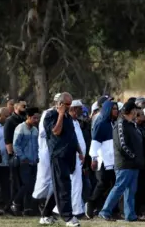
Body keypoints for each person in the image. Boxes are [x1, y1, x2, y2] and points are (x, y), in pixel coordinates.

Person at [98, 101, 145, 222]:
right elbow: (122, 145)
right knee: (119, 187)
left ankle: (130, 215)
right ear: (131, 111)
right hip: (125, 163)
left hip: (133, 164)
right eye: (135, 110)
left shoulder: (131, 124)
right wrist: (134, 156)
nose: (137, 112)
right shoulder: (121, 124)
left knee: (131, 190)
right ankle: (105, 211)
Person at [40, 92, 83, 227]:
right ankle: (68, 217)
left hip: (69, 155)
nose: (69, 108)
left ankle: (45, 215)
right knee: (64, 186)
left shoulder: (68, 117)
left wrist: (79, 151)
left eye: (71, 105)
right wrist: (60, 114)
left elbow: (72, 135)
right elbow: (56, 131)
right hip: (58, 155)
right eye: (67, 105)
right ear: (59, 104)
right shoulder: (50, 115)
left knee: (59, 185)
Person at [52, 100, 86, 216]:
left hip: (78, 158)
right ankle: (74, 210)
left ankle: (70, 208)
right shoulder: (66, 120)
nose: (82, 111)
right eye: (80, 109)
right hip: (70, 156)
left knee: (76, 184)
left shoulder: (75, 122)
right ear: (74, 109)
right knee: (73, 184)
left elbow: (76, 139)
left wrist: (81, 153)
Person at [86, 100, 118, 218]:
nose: (116, 111)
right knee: (102, 183)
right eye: (113, 109)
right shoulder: (101, 123)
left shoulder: (113, 123)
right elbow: (95, 142)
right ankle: (91, 203)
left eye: (116, 109)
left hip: (112, 160)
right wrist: (94, 158)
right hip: (102, 159)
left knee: (113, 184)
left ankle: (107, 209)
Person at [32, 94, 61, 203]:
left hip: (55, 150)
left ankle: (49, 204)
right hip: (45, 149)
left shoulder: (62, 114)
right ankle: (39, 201)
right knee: (44, 177)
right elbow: (44, 132)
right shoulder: (48, 113)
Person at [12, 107, 40, 216]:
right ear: (28, 117)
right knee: (26, 184)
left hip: (34, 162)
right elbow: (16, 145)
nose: (36, 120)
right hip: (24, 162)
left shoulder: (35, 130)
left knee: (32, 186)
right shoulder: (20, 128)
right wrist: (23, 157)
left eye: (37, 118)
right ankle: (15, 202)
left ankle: (27, 208)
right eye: (34, 118)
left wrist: (37, 157)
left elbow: (37, 146)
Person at [4, 100, 27, 210]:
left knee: (22, 182)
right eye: (23, 106)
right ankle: (12, 205)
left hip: (24, 155)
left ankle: (20, 205)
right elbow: (8, 140)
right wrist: (11, 155)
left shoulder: (24, 120)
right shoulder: (10, 121)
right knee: (15, 182)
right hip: (15, 155)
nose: (25, 108)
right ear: (16, 107)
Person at [0, 107, 11, 214]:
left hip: (5, 160)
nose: (8, 118)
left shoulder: (5, 126)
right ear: (0, 115)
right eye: (6, 116)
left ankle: (6, 205)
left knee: (5, 184)